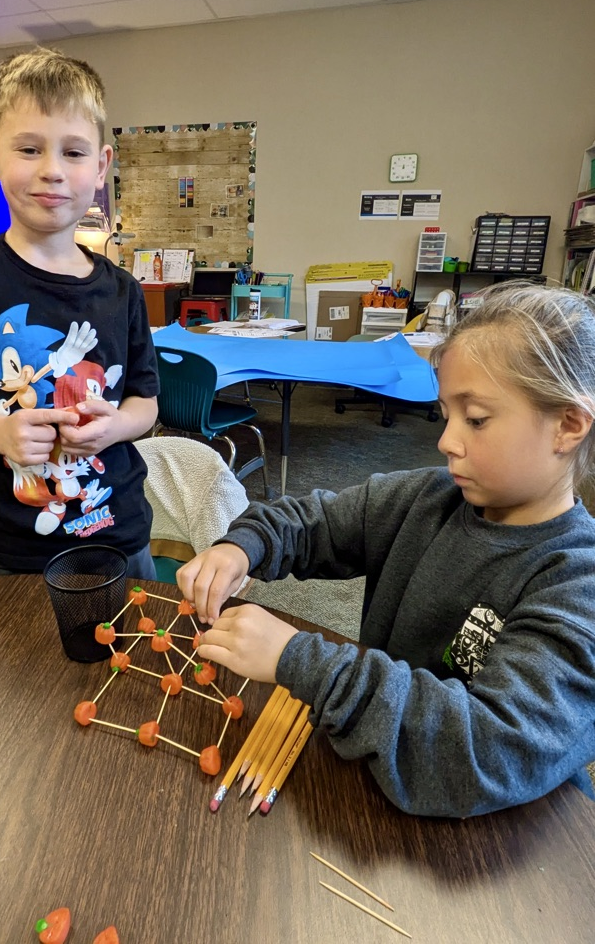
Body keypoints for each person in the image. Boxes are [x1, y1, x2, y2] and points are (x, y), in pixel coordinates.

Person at [178, 281, 595, 818]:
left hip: (503, 839)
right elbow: (310, 520)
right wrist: (243, 546)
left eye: (476, 419)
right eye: (446, 414)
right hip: (377, 793)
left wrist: (300, 661)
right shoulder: (427, 499)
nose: (446, 441)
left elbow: (488, 750)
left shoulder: (577, 582)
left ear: (568, 426)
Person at [0, 48, 158, 576]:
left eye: (74, 152)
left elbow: (145, 403)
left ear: (101, 166)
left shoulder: (123, 290)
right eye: (29, 149)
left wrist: (114, 427)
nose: (52, 171)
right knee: (20, 636)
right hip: (16, 542)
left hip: (120, 528)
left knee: (135, 629)